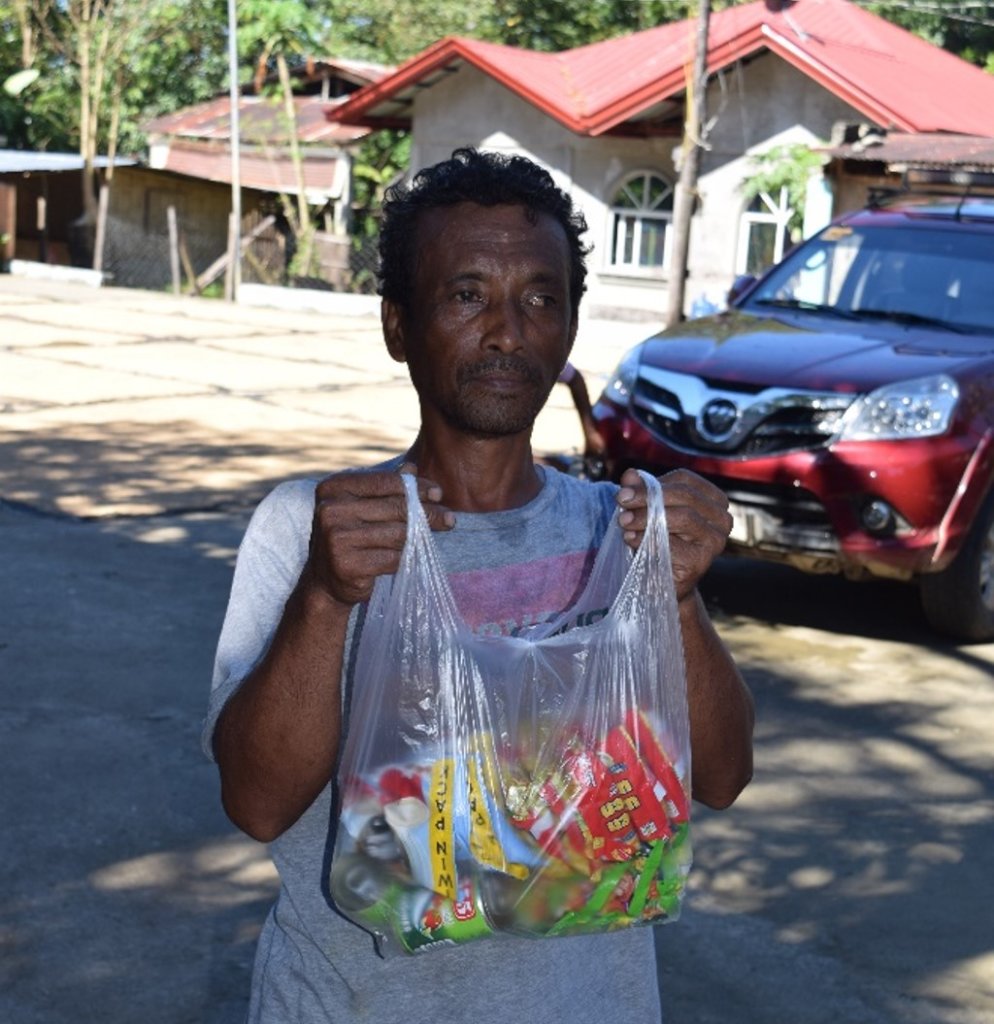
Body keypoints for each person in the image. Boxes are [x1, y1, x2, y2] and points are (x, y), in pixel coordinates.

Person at [204, 147, 754, 1023]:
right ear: (398, 326)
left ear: (571, 327)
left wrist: (677, 596)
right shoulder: (312, 527)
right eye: (467, 296)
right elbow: (258, 804)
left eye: (540, 299)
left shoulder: (619, 533)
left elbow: (721, 777)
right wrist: (323, 597)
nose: (507, 331)